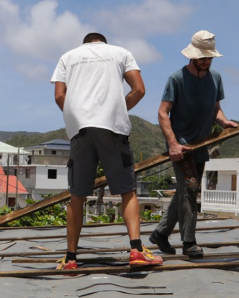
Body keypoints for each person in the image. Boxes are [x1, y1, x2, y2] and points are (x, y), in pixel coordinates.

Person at [51, 32, 163, 269]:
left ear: (85, 44)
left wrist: (77, 115)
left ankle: (70, 259)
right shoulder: (121, 53)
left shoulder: (67, 57)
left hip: (80, 131)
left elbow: (60, 95)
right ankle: (136, 250)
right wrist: (118, 110)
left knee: (77, 195)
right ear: (103, 42)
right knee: (127, 190)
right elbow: (139, 89)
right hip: (112, 129)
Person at [149, 30, 237, 257]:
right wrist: (173, 144)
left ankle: (160, 233)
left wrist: (224, 121)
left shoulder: (215, 78)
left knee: (185, 190)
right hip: (182, 146)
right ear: (192, 56)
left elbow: (215, 109)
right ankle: (189, 242)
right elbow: (162, 113)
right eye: (202, 58)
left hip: (202, 146)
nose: (206, 61)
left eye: (209, 58)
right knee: (190, 187)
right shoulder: (176, 79)